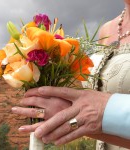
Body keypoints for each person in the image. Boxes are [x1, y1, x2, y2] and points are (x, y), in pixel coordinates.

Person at [12, 0, 130, 149]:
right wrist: (72, 115)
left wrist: (104, 110)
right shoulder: (107, 29)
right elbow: (100, 122)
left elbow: (101, 112)